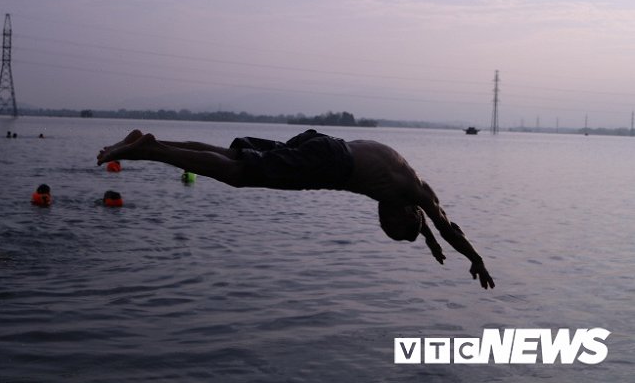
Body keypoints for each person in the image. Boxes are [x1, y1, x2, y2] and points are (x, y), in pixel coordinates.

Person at [97, 129, 495, 289]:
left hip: (322, 144)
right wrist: (475, 258)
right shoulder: (413, 192)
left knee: (235, 155)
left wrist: (429, 243)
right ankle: (149, 150)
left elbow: (432, 225)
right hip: (332, 164)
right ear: (408, 211)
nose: (382, 218)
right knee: (239, 174)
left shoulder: (410, 189)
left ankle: (151, 141)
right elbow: (447, 225)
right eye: (390, 223)